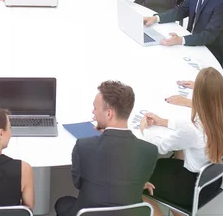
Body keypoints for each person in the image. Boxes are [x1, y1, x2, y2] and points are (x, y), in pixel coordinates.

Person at [141, 67, 223, 216]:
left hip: (190, 188)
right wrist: (164, 122)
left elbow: (160, 147)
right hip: (213, 180)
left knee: (138, 182)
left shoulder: (193, 130)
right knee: (177, 154)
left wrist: (144, 131)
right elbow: (192, 125)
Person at [54, 81, 158, 216]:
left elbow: (79, 183)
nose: (93, 112)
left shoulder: (84, 146)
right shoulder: (150, 151)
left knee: (63, 203)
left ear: (109, 114)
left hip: (88, 212)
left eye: (95, 108)